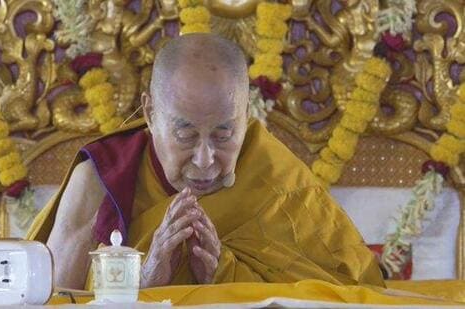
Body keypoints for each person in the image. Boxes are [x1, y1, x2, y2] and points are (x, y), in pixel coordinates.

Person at [27, 33, 385, 290]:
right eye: (185, 135)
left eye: (223, 135)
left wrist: (224, 273)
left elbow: (357, 293)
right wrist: (143, 282)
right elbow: (54, 301)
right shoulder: (100, 178)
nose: (204, 160)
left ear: (246, 116)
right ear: (150, 113)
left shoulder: (279, 180)